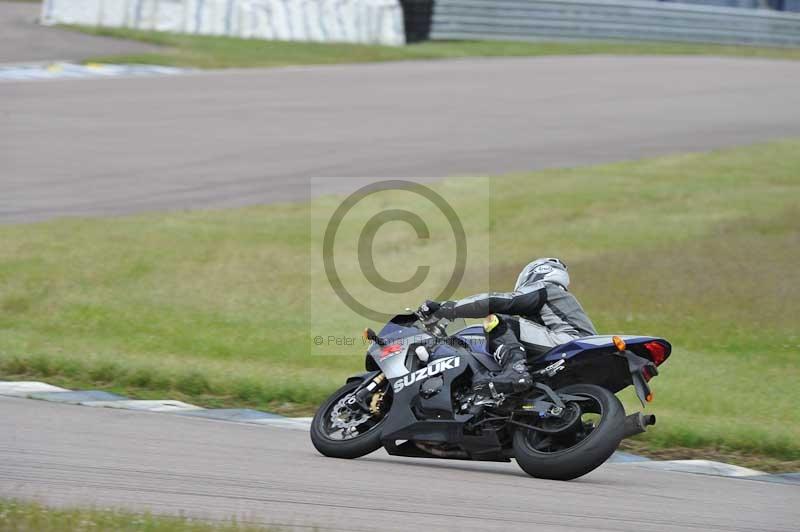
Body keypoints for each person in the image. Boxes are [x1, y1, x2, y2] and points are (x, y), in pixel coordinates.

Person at [418, 257, 597, 394]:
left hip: (569, 342)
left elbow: (498, 301)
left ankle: (515, 371)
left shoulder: (545, 288)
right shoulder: (558, 302)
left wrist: (447, 308)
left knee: (497, 320)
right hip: (577, 351)